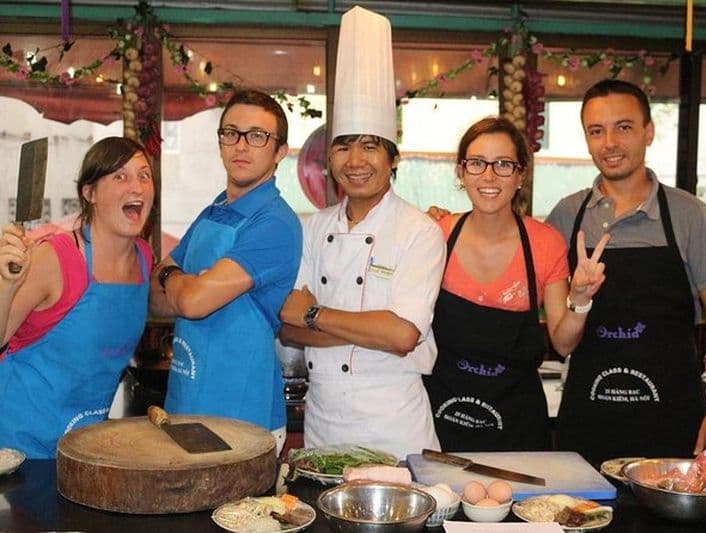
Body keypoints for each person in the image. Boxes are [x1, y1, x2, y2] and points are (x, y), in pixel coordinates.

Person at [279, 6, 445, 459]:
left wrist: (316, 315)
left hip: (396, 425)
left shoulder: (421, 231)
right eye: (344, 146)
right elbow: (288, 325)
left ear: (393, 158)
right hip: (324, 421)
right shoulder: (312, 228)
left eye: (370, 146)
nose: (356, 160)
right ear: (327, 160)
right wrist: (368, 327)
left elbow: (402, 337)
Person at [546, 79, 706, 463]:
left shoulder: (688, 214)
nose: (610, 143)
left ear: (648, 132)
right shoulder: (567, 216)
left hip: (674, 419)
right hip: (589, 417)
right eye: (596, 131)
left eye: (624, 127)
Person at [423, 117, 608, 452]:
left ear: (521, 175)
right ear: (461, 172)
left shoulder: (544, 243)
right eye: (477, 163)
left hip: (518, 429)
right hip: (440, 424)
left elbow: (563, 343)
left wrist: (580, 298)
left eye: (503, 165)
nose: (489, 176)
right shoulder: (436, 234)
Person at [149, 90, 301, 452]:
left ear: (279, 152)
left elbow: (193, 302)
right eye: (230, 133)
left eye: (257, 136)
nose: (241, 146)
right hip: (185, 404)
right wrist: (182, 286)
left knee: (237, 513)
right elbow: (154, 300)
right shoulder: (212, 212)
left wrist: (175, 279)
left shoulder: (275, 222)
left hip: (242, 417)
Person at [0, 137, 155, 458]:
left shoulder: (143, 257)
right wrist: (7, 283)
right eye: (120, 176)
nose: (137, 187)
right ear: (90, 193)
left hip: (84, 447)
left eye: (144, 175)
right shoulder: (56, 258)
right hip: (17, 447)